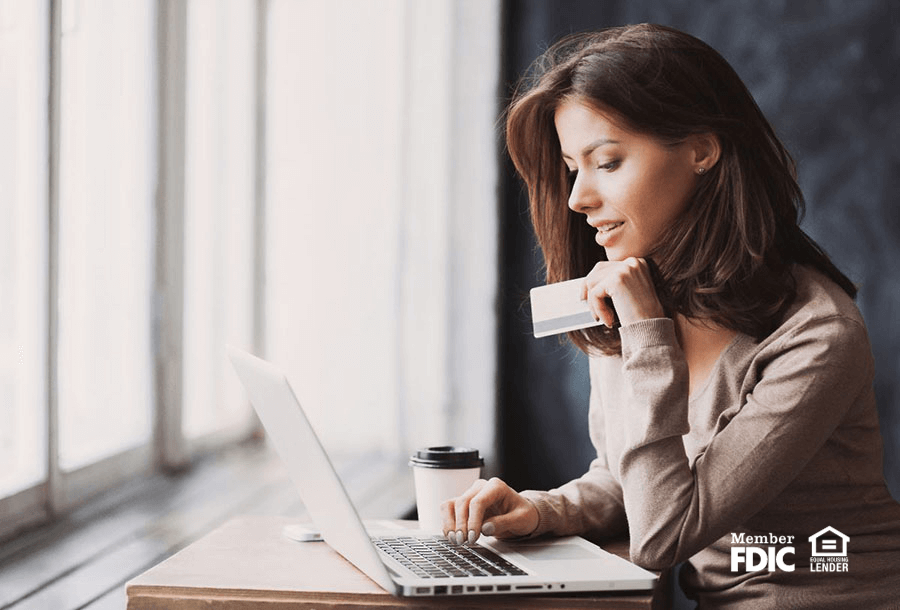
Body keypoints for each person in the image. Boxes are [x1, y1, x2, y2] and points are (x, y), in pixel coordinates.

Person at [441, 24, 900, 607]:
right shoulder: (638, 296)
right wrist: (541, 509)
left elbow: (664, 533)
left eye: (606, 162)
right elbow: (632, 480)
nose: (576, 198)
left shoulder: (816, 336)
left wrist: (645, 336)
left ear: (702, 150)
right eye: (569, 168)